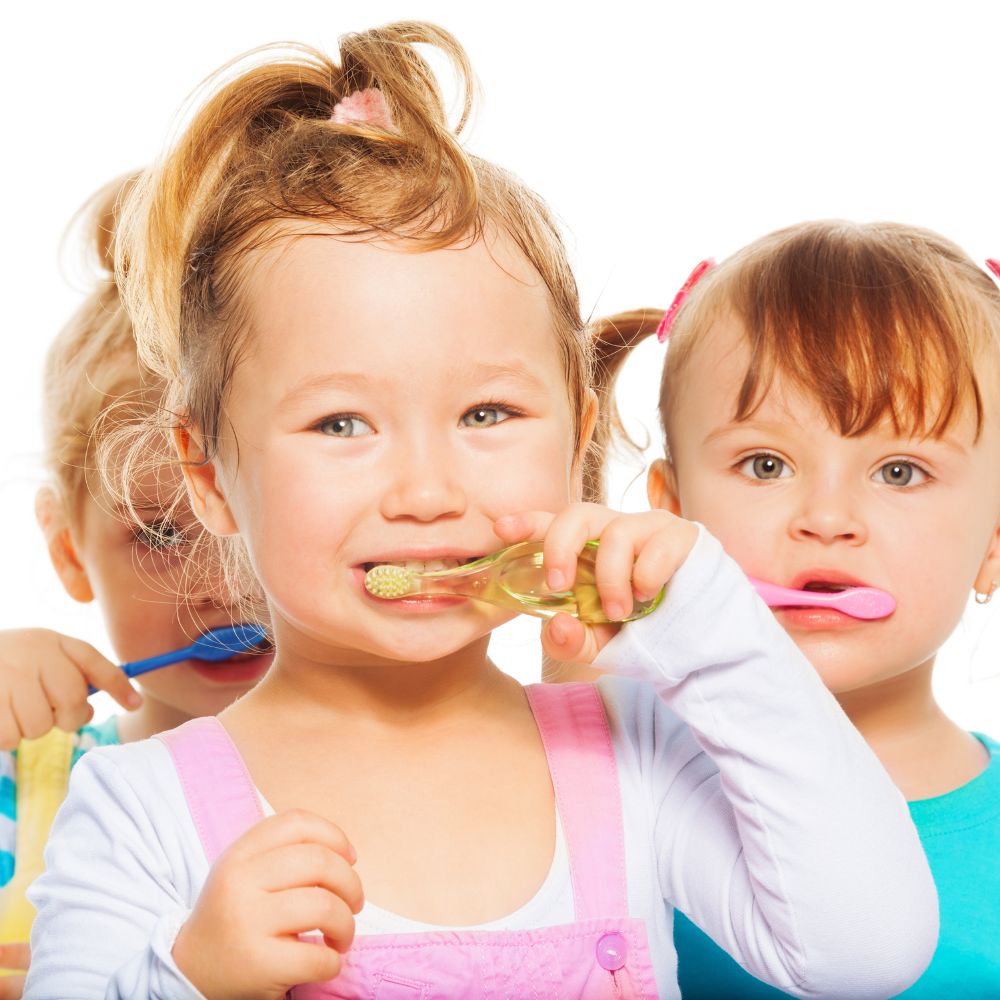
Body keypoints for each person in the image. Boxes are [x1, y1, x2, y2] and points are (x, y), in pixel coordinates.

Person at [25, 26, 937, 999]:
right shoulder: (139, 805)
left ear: (577, 434)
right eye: (341, 422)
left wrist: (717, 627)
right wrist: (191, 976)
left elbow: (866, 954)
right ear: (207, 475)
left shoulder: (629, 746)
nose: (427, 493)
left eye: (486, 413)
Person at [586, 224, 1000, 997]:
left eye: (901, 470)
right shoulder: (608, 794)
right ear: (673, 513)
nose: (828, 516)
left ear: (994, 544)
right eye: (766, 464)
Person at [0, 175, 273, 991]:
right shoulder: (30, 779)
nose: (218, 582)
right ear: (69, 551)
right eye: (157, 533)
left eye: (254, 522)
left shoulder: (438, 764)